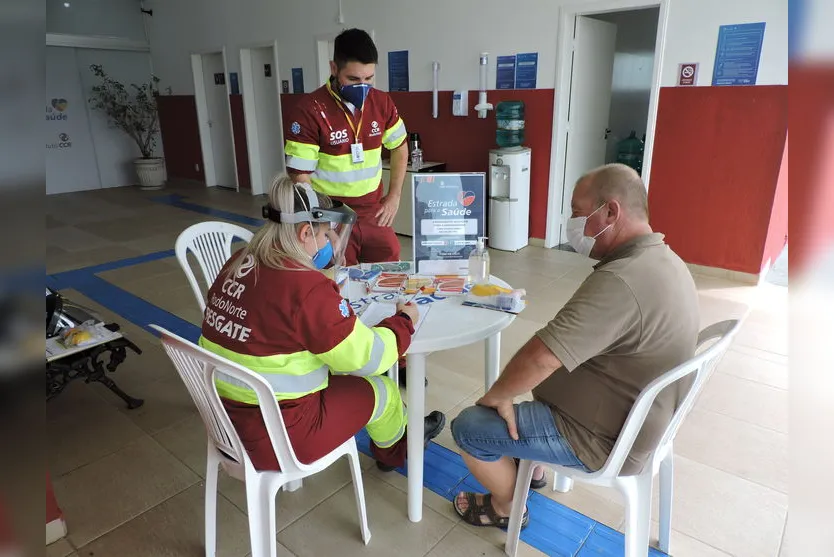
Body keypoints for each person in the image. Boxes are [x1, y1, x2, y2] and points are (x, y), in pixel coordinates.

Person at [449, 163, 700, 529]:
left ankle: (506, 508)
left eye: (578, 213)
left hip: (597, 437)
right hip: (629, 416)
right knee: (521, 397)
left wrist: (497, 396)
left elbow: (542, 356)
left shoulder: (622, 280)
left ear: (611, 212)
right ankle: (530, 470)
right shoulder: (665, 260)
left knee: (470, 427)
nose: (571, 223)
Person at [198, 176, 445, 473]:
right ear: (305, 232)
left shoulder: (238, 261)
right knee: (384, 390)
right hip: (280, 436)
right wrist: (403, 321)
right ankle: (395, 452)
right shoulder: (305, 288)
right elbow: (370, 358)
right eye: (327, 234)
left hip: (224, 421)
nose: (330, 242)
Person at [284, 27, 409, 267]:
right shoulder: (309, 110)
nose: (362, 86)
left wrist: (394, 196)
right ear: (334, 69)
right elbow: (300, 177)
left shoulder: (381, 102)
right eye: (353, 79)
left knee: (390, 270)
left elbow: (400, 147)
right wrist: (319, 222)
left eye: (369, 78)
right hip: (332, 213)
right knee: (339, 280)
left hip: (373, 211)